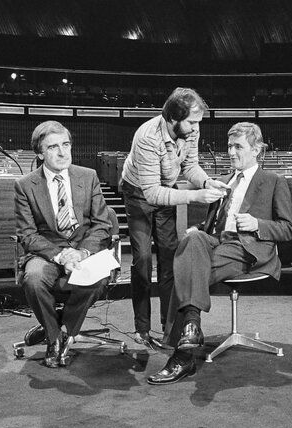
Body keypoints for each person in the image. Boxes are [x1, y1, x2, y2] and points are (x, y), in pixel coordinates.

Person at [148, 122, 292, 385]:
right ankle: (191, 326)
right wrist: (198, 230)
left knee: (186, 269)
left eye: (238, 146)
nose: (231, 152)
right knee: (192, 240)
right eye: (229, 146)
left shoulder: (273, 181)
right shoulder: (224, 180)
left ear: (257, 150)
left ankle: (182, 354)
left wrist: (258, 224)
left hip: (246, 248)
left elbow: (287, 229)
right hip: (217, 241)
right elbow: (211, 225)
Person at [121, 87, 229, 348]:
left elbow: (190, 167)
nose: (196, 128)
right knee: (143, 260)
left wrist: (207, 181)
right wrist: (195, 196)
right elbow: (152, 193)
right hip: (139, 195)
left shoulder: (191, 129)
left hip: (165, 191)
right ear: (172, 118)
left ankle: (169, 331)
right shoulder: (147, 136)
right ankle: (142, 329)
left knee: (170, 257)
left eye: (198, 122)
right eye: (192, 122)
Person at [14, 120, 114, 368]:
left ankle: (61, 331)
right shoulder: (25, 186)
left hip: (83, 249)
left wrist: (80, 253)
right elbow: (27, 234)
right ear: (40, 153)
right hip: (46, 253)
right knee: (34, 279)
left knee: (97, 278)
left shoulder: (88, 176)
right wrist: (61, 256)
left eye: (66, 144)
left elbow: (102, 224)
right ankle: (55, 337)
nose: (62, 152)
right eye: (53, 147)